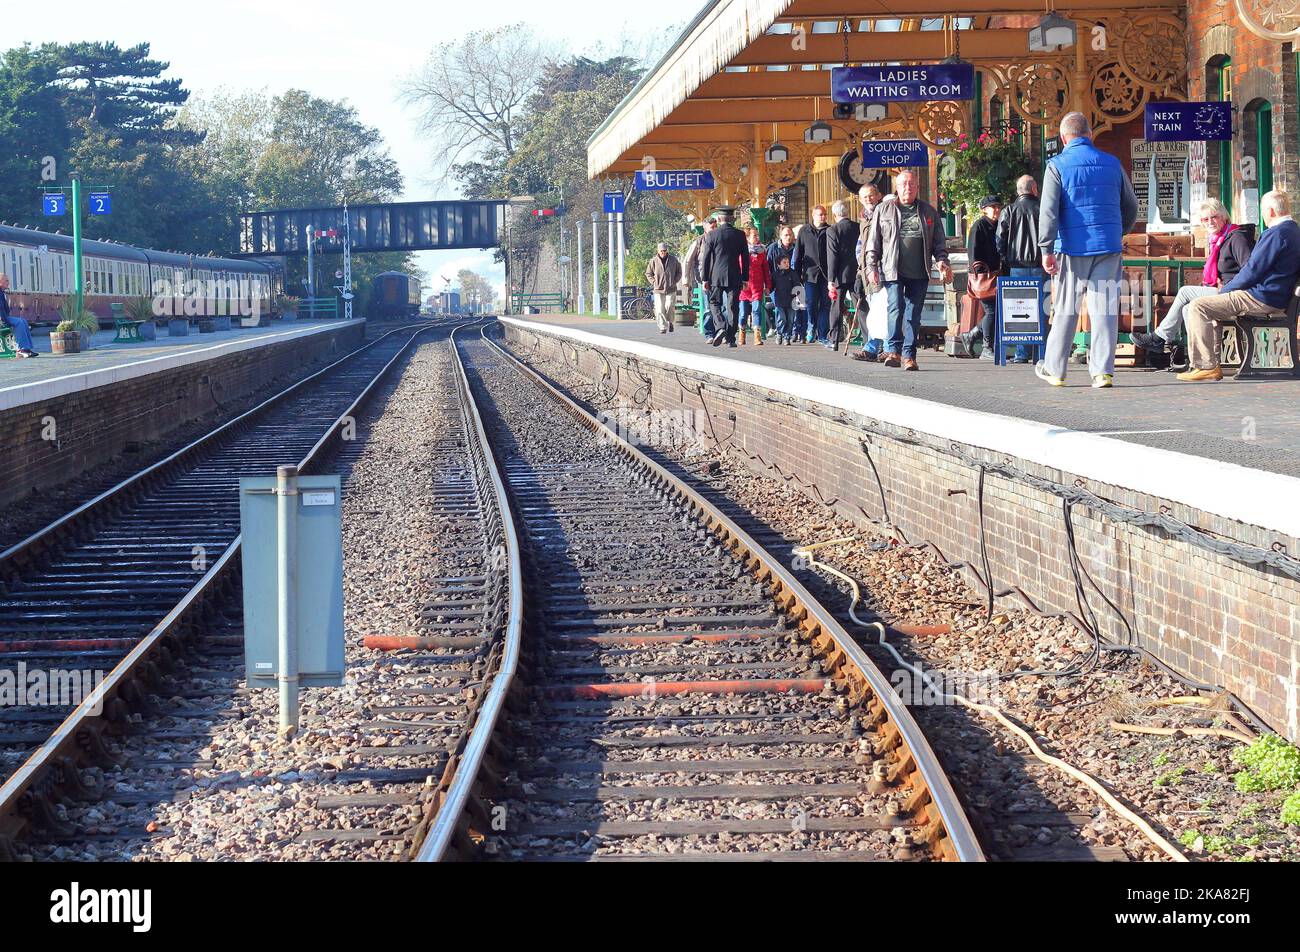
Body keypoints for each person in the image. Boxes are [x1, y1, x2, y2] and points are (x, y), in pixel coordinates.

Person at [1034, 112, 1139, 389]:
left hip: (1071, 248)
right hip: (1107, 246)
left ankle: (1056, 369)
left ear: (1063, 137)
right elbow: (1131, 206)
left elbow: (1048, 212)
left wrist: (1046, 248)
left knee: (1066, 308)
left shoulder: (1056, 165)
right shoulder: (1112, 163)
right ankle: (1102, 372)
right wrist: (1119, 231)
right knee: (1104, 309)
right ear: (1090, 134)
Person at [1177, 190, 1300, 382]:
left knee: (1198, 306)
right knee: (1203, 306)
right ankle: (1209, 363)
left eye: (1263, 210)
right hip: (1272, 295)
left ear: (1271, 212)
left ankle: (1206, 366)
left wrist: (1225, 291)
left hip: (1261, 297)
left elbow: (1252, 270)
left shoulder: (1277, 233)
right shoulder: (1292, 231)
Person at [1131, 197, 1253, 355]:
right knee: (1188, 309)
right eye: (1205, 219)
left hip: (1234, 293)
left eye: (1214, 217)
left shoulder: (1236, 237)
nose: (1210, 222)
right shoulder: (1217, 240)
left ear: (1224, 217)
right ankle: (1199, 358)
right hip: (1223, 290)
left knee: (1185, 292)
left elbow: (1249, 269)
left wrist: (1230, 285)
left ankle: (1159, 337)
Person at [864, 169, 953, 370]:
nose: (908, 188)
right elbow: (873, 242)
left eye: (912, 184)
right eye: (904, 184)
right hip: (892, 270)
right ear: (897, 187)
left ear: (917, 187)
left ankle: (909, 355)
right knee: (895, 309)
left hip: (920, 271)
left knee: (913, 315)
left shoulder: (928, 211)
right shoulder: (884, 209)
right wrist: (871, 266)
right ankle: (893, 351)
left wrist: (942, 261)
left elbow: (939, 243)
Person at [994, 176, 1047, 364]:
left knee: (1019, 308)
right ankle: (1042, 352)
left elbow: (1000, 238)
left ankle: (1021, 353)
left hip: (1016, 266)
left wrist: (1006, 258)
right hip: (1041, 265)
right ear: (1034, 189)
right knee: (1042, 309)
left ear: (1018, 191)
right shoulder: (1042, 209)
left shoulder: (1009, 210)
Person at [960, 195, 1003, 361]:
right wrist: (978, 270)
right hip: (984, 277)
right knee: (992, 311)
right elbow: (973, 251)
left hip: (995, 275)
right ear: (984, 209)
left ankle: (971, 335)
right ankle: (986, 346)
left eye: (998, 207)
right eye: (993, 207)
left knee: (995, 311)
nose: (996, 210)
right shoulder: (979, 226)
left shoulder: (998, 225)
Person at [699, 209, 750, 347]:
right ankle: (731, 338)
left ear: (719, 219)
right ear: (732, 218)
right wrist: (745, 278)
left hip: (716, 275)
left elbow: (706, 258)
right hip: (735, 275)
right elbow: (745, 258)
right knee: (733, 306)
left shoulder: (712, 235)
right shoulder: (740, 235)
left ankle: (720, 327)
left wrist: (705, 279)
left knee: (714, 302)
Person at [852, 183, 887, 360]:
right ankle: (876, 347)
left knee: (883, 310)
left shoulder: (884, 214)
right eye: (865, 197)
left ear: (879, 195)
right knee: (876, 310)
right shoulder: (864, 219)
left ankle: (881, 348)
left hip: (882, 270)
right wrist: (860, 271)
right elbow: (861, 246)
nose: (868, 199)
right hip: (868, 271)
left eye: (871, 195)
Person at [825, 199, 860, 352]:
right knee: (861, 306)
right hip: (857, 273)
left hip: (839, 274)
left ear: (834, 215)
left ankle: (834, 340)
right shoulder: (858, 227)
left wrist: (831, 279)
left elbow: (832, 256)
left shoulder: (832, 230)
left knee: (836, 307)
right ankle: (867, 338)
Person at [795, 205, 832, 344]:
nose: (822, 217)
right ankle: (812, 326)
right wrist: (797, 275)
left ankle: (822, 334)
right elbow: (798, 254)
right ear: (813, 215)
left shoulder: (829, 230)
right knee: (810, 303)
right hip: (810, 274)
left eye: (824, 214)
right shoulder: (804, 231)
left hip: (826, 274)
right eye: (820, 214)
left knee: (825, 304)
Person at [683, 218, 717, 336]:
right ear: (705, 228)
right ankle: (709, 333)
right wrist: (686, 279)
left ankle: (721, 331)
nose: (714, 229)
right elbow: (688, 260)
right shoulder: (698, 242)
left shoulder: (720, 239)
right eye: (712, 227)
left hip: (719, 278)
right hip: (704, 279)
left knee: (722, 306)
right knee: (708, 308)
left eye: (715, 227)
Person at [738, 225, 771, 344]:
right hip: (744, 285)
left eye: (758, 235)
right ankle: (742, 333)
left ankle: (757, 336)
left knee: (756, 310)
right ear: (747, 237)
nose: (757, 237)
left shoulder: (762, 251)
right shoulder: (741, 251)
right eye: (754, 235)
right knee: (743, 312)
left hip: (757, 285)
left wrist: (768, 285)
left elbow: (766, 269)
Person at [767, 225, 800, 345]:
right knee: (781, 315)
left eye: (790, 234)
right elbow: (768, 265)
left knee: (791, 317)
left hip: (791, 289)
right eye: (786, 235)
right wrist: (769, 285)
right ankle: (780, 333)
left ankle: (788, 335)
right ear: (781, 236)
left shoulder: (796, 248)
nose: (788, 237)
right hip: (778, 289)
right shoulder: (773, 248)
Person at [645, 242, 683, 334]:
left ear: (667, 251)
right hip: (658, 289)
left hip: (671, 288)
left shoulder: (673, 260)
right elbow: (648, 273)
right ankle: (662, 327)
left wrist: (675, 281)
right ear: (658, 251)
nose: (663, 252)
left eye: (664, 251)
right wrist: (654, 282)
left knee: (669, 306)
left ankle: (670, 322)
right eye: (661, 251)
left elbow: (679, 272)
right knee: (659, 308)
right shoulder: (653, 261)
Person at [0, 273, 38, 358]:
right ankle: (21, 349)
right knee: (19, 323)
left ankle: (27, 348)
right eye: (6, 280)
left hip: (4, 317)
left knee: (23, 321)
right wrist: (5, 322)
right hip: (2, 319)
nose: (8, 282)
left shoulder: (1, 292)